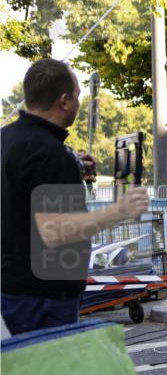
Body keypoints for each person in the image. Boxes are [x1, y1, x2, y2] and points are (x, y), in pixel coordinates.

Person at [1, 58, 148, 335]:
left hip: (15, 290)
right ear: (65, 101)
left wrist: (73, 164)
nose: (79, 104)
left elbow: (23, 188)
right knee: (47, 364)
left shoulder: (8, 138)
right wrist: (120, 211)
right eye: (78, 96)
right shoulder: (48, 152)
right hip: (43, 299)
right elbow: (56, 231)